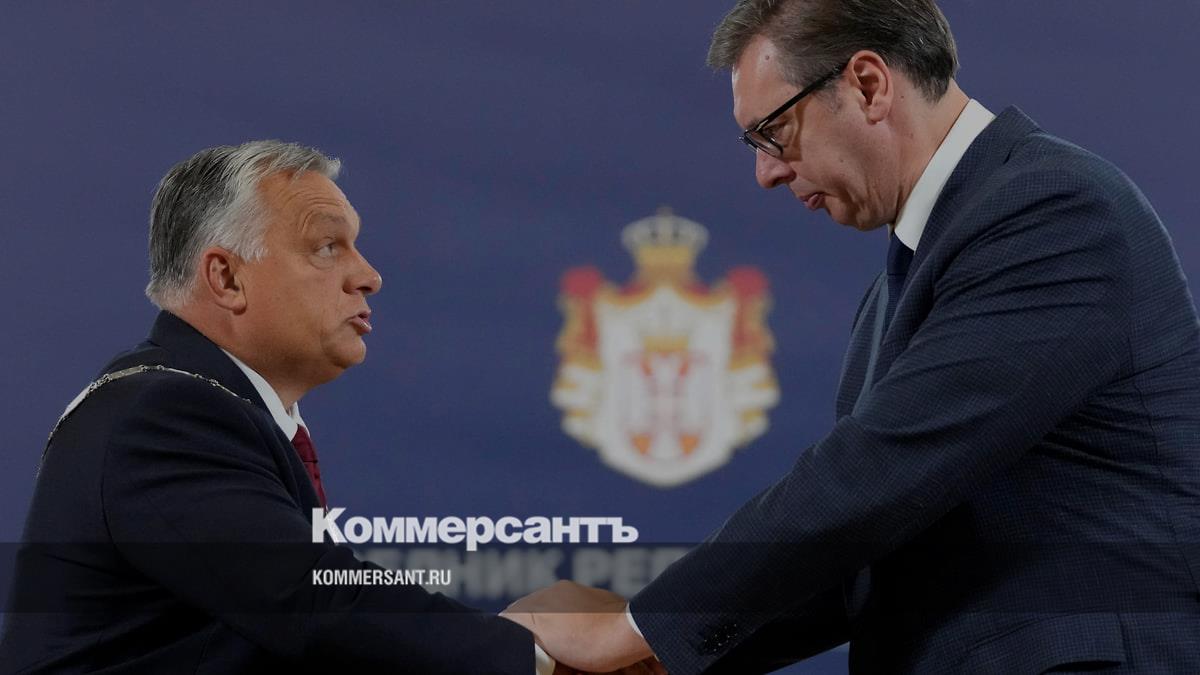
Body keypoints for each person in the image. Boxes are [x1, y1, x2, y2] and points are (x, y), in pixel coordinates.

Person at [503, 1, 1200, 673]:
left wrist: (636, 626)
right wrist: (658, 654)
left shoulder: (1052, 210)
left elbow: (878, 473)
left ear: (868, 84)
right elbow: (868, 552)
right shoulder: (906, 278)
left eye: (773, 131)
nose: (767, 172)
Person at [0, 141, 574, 673]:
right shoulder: (160, 413)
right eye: (327, 247)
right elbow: (312, 604)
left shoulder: (213, 407)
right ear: (227, 278)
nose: (369, 276)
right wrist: (530, 650)